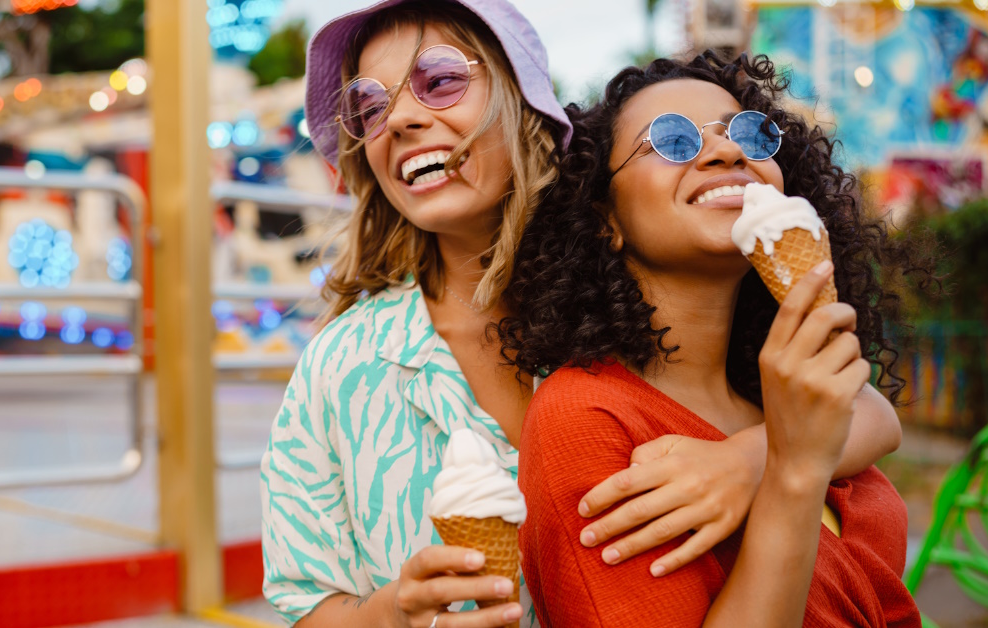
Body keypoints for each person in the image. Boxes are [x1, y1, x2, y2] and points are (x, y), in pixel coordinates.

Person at [261, 2, 902, 626]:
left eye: (441, 81)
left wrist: (746, 462)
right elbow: (304, 600)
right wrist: (393, 612)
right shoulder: (342, 364)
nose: (399, 116)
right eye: (370, 106)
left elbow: (864, 411)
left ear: (525, 102)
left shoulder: (628, 294)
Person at [498, 51, 927, 626]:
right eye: (671, 140)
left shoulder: (772, 389)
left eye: (749, 134)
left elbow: (876, 414)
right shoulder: (584, 417)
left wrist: (749, 460)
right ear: (606, 220)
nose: (728, 152)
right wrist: (792, 472)